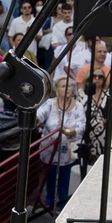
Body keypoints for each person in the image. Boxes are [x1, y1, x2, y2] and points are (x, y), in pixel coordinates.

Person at [38, 75, 83, 211]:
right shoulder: (49, 104)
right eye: (63, 86)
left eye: (69, 86)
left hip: (68, 152)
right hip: (49, 151)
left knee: (65, 181)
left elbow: (81, 126)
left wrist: (68, 131)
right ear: (57, 90)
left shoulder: (78, 106)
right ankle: (49, 203)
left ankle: (64, 205)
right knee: (50, 179)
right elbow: (39, 115)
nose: (67, 88)